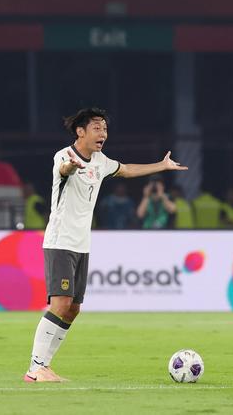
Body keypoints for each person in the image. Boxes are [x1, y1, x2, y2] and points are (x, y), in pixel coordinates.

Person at [25, 107, 187, 382]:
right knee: (61, 303)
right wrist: (71, 167)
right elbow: (63, 170)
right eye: (97, 128)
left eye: (105, 129)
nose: (103, 134)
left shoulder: (100, 161)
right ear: (81, 131)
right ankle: (35, 368)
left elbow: (126, 169)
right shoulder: (64, 156)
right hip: (60, 241)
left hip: (81, 244)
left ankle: (45, 365)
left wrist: (161, 165)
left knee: (73, 309)